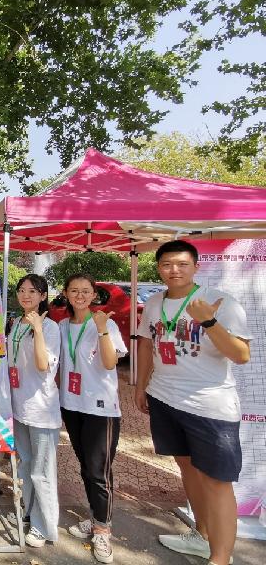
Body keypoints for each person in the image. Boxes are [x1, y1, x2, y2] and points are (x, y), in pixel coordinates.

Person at [135, 240, 250, 565]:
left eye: (182, 264)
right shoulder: (154, 302)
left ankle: (220, 558)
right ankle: (201, 535)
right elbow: (147, 344)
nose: (174, 270)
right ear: (159, 268)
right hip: (164, 398)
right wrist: (140, 386)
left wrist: (209, 323)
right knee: (187, 468)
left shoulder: (220, 301)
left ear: (196, 267)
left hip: (209, 407)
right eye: (166, 264)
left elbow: (241, 355)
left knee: (216, 480)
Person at [58, 273, 127, 564]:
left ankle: (103, 530)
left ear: (94, 294)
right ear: (66, 293)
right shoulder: (62, 326)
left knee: (99, 472)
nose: (80, 295)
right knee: (86, 467)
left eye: (85, 291)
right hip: (71, 405)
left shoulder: (105, 323)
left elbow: (110, 363)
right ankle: (95, 517)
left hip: (101, 409)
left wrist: (101, 331)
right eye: (74, 290)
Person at [8, 274, 61, 548]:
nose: (26, 295)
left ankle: (44, 527)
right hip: (19, 407)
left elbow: (43, 365)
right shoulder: (16, 324)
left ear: (43, 296)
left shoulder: (50, 327)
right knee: (26, 465)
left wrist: (38, 330)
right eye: (22, 290)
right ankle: (28, 513)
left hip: (41, 409)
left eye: (32, 291)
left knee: (42, 471)